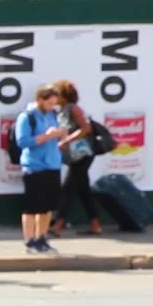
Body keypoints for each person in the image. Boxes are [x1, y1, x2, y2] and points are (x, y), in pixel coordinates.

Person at [15, 84, 65, 254]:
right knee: (32, 206)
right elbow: (23, 142)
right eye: (49, 103)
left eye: (54, 103)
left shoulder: (53, 115)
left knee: (47, 207)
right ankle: (29, 241)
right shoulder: (27, 117)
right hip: (34, 166)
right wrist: (46, 136)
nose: (52, 107)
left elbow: (57, 136)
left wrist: (60, 134)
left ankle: (41, 237)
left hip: (52, 164)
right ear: (40, 100)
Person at [49, 79, 102, 237]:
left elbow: (86, 129)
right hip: (74, 156)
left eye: (56, 94)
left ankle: (58, 225)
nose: (54, 97)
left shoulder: (73, 109)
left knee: (68, 188)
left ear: (64, 95)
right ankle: (95, 224)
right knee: (83, 189)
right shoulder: (62, 110)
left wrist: (66, 140)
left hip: (83, 155)